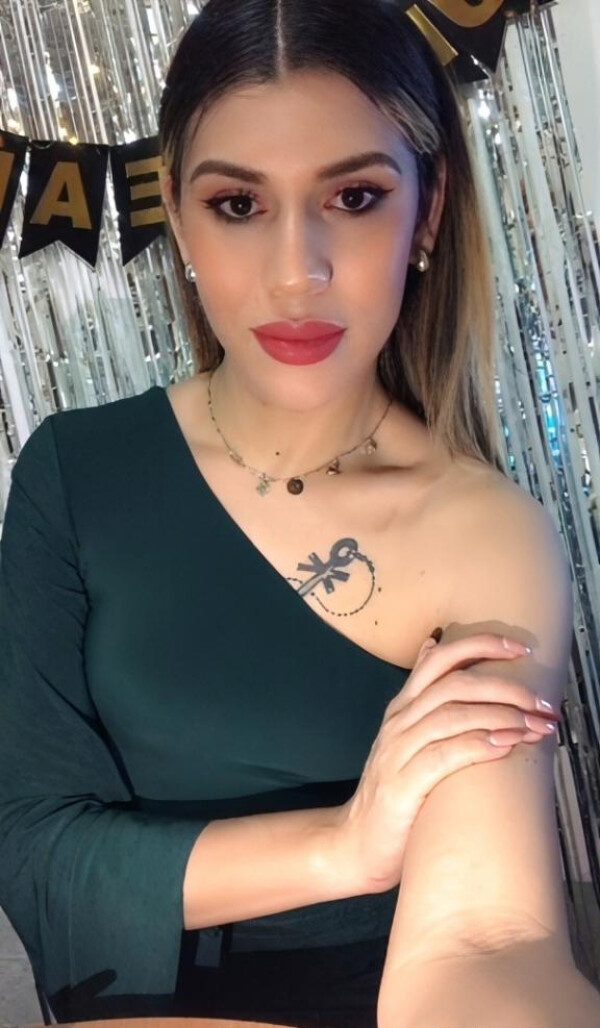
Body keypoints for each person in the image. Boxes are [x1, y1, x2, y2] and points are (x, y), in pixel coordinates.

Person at [0, 1, 576, 1027]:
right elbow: (34, 854)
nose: (295, 271)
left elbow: (486, 933)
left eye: (353, 197)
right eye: (238, 204)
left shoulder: (488, 530)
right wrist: (345, 844)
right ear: (179, 219)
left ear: (428, 211)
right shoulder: (74, 472)